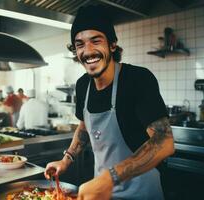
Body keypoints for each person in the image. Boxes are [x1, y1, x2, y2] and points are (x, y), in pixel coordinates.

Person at [44, 5, 174, 200]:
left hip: (142, 193)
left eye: (95, 41)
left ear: (112, 45)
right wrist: (66, 159)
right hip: (102, 194)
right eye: (79, 44)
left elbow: (164, 143)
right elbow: (84, 128)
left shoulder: (137, 79)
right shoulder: (82, 85)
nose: (87, 51)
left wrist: (109, 178)